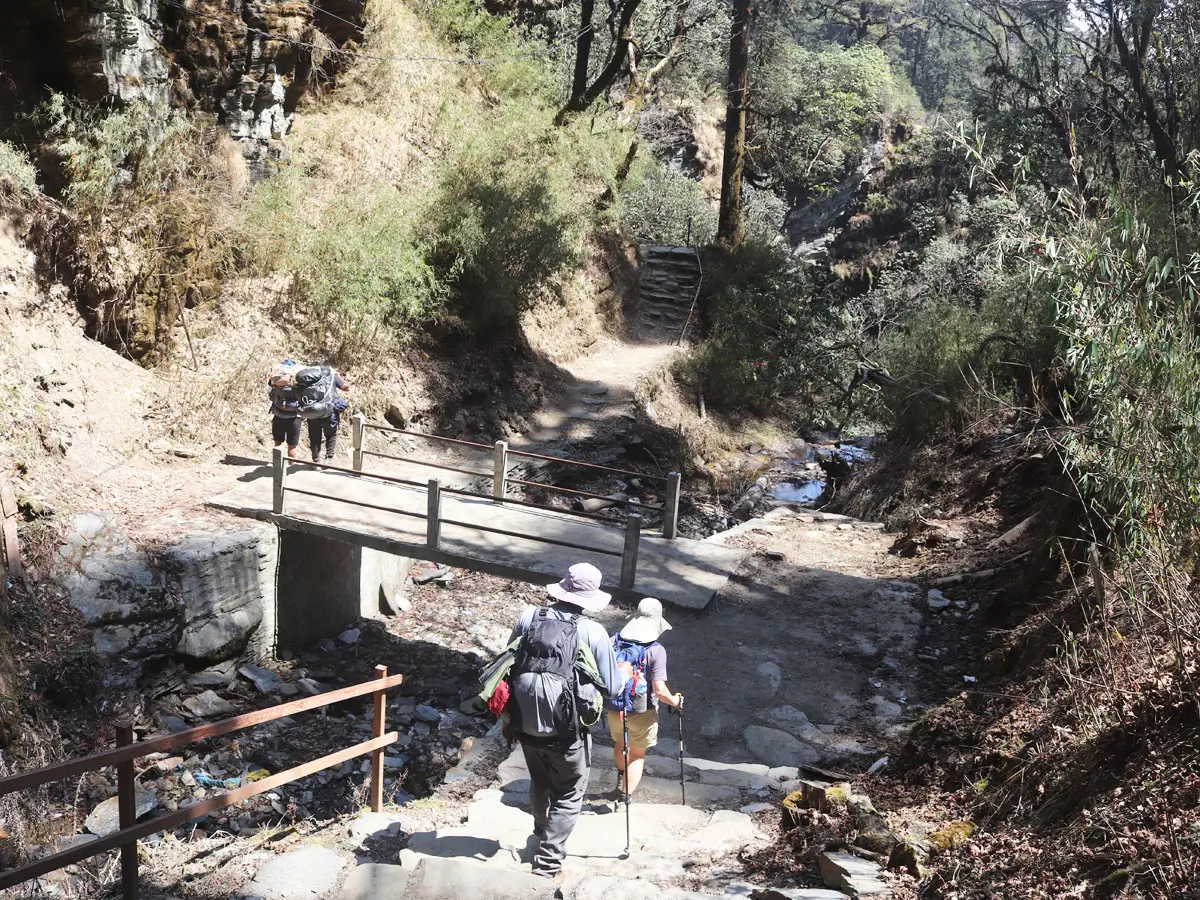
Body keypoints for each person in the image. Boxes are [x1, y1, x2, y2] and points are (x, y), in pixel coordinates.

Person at [507, 563, 624, 883]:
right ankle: (547, 864)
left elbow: (508, 662)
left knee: (540, 780)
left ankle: (541, 831)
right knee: (569, 792)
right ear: (589, 598)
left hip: (525, 724)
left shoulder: (529, 617)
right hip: (567, 729)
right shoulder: (593, 632)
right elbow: (613, 688)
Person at [605, 597, 683, 799]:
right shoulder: (656, 650)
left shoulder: (615, 641)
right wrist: (675, 701)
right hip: (642, 711)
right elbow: (659, 690)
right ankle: (625, 794)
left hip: (614, 706)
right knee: (637, 755)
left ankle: (621, 778)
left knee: (621, 744)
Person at [307, 369, 351, 462]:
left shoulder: (309, 377)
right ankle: (328, 459)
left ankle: (315, 460)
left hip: (313, 412)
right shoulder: (332, 376)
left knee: (314, 436)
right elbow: (346, 388)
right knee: (330, 435)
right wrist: (338, 377)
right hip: (329, 412)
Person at [268, 362, 301, 460]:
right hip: (295, 417)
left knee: (278, 443)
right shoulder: (298, 380)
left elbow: (270, 392)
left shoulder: (276, 380)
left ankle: (277, 469)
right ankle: (289, 469)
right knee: (292, 447)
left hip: (278, 415)